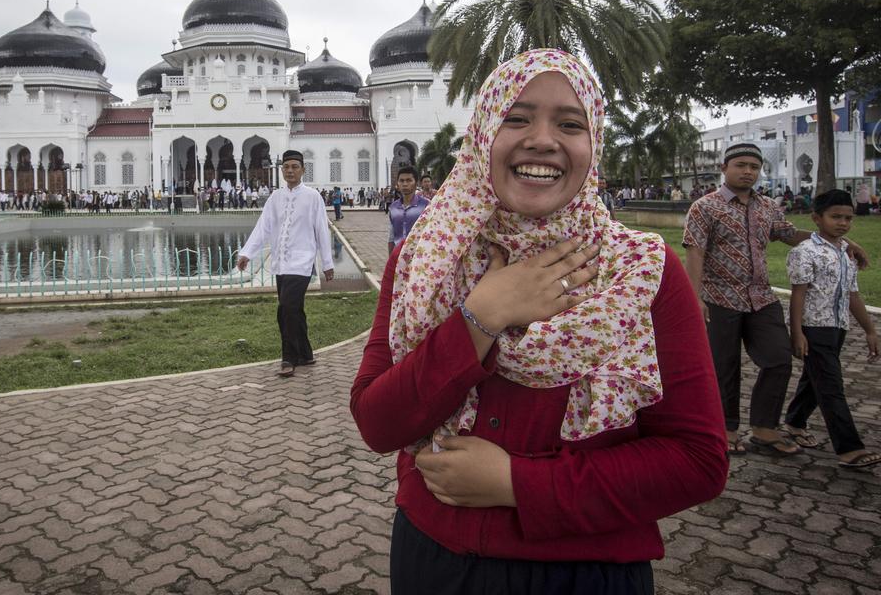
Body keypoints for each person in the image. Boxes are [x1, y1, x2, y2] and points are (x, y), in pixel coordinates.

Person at [352, 49, 727, 594]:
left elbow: (696, 461)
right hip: (432, 558)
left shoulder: (639, 273)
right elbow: (378, 423)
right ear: (482, 135)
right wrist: (480, 317)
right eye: (517, 117)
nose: (543, 140)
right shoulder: (425, 262)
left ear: (592, 146)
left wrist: (518, 483)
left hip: (584, 571)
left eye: (569, 124)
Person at [683, 144, 867, 457]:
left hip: (760, 297)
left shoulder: (767, 206)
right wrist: (695, 298)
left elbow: (789, 233)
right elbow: (695, 251)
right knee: (724, 367)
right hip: (719, 296)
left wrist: (843, 240)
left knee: (779, 357)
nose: (748, 172)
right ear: (725, 167)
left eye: (754, 167)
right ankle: (725, 430)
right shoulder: (705, 207)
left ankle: (764, 430)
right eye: (741, 165)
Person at [782, 189, 880, 470]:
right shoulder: (805, 252)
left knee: (815, 380)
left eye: (848, 218)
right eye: (835, 217)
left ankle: (794, 422)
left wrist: (870, 331)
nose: (842, 223)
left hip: (838, 327)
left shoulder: (846, 253)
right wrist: (797, 332)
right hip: (814, 328)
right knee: (831, 387)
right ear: (816, 218)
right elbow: (797, 295)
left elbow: (853, 295)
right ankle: (849, 448)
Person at [238, 150, 334, 377]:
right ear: (282, 171)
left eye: (294, 167)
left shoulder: (312, 197)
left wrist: (327, 263)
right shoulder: (275, 198)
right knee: (294, 310)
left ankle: (288, 358)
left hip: (301, 263)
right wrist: (247, 253)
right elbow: (263, 227)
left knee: (286, 309)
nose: (290, 171)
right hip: (281, 263)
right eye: (286, 167)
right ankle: (306, 353)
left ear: (302, 170)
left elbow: (322, 229)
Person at [388, 166, 429, 254]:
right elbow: (391, 237)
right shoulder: (393, 208)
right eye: (401, 181)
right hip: (398, 255)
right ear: (398, 184)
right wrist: (390, 259)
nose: (405, 184)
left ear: (416, 183)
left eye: (409, 180)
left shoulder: (426, 206)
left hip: (419, 256)